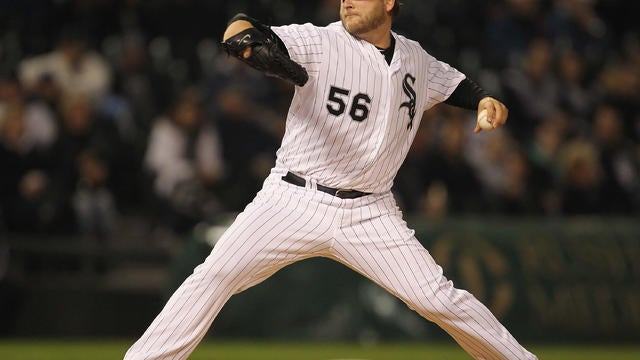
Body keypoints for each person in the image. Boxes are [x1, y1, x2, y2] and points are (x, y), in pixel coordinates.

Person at [124, 1, 537, 359]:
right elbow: (240, 26)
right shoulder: (320, 42)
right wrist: (250, 48)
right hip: (292, 200)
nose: (347, 2)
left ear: (389, 2)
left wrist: (483, 99)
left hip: (370, 212)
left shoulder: (414, 58)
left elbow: (455, 83)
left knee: (439, 298)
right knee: (213, 277)